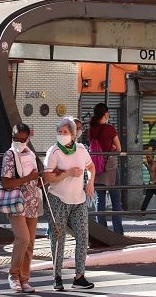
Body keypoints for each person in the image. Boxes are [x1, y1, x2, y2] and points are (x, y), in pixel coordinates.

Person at [43, 117, 96, 291]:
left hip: (78, 200)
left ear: (73, 134)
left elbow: (91, 167)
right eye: (59, 132)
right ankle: (56, 276)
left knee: (82, 236)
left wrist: (90, 183)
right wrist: (68, 173)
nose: (61, 135)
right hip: (58, 199)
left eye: (65, 132)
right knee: (58, 238)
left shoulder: (81, 149)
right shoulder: (54, 152)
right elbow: (47, 177)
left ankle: (79, 276)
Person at [1, 123, 42, 293]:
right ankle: (13, 275)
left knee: (30, 242)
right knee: (23, 239)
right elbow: (6, 182)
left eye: (22, 139)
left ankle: (24, 279)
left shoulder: (31, 154)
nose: (18, 141)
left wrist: (41, 177)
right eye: (15, 138)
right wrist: (27, 178)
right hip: (16, 203)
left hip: (32, 202)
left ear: (27, 138)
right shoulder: (9, 155)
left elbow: (35, 179)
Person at [88, 103, 124, 235]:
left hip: (96, 167)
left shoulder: (91, 129)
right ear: (106, 114)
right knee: (115, 201)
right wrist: (112, 148)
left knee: (100, 201)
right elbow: (119, 149)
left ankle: (102, 233)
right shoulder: (110, 129)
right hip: (110, 168)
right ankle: (118, 232)